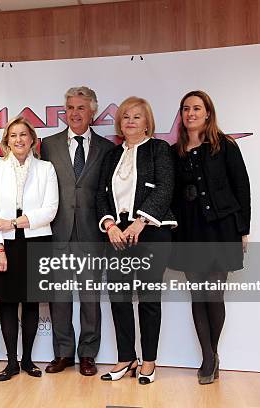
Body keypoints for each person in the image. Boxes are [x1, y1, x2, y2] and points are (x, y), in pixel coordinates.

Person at [170, 90, 250, 385]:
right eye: (185, 109)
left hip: (221, 229)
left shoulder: (225, 146)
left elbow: (242, 187)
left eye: (196, 108)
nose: (190, 113)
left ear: (207, 113)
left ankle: (210, 356)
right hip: (189, 230)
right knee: (197, 295)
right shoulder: (174, 151)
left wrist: (244, 229)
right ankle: (208, 357)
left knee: (213, 294)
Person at [96, 96, 176, 385]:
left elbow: (166, 188)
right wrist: (109, 225)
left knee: (148, 298)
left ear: (147, 122)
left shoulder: (159, 149)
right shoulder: (111, 155)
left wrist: (140, 221)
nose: (130, 120)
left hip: (151, 232)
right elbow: (100, 195)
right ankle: (126, 357)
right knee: (119, 297)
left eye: (137, 116)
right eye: (126, 116)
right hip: (117, 235)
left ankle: (149, 362)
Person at [40, 86, 113, 376]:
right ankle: (64, 354)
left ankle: (88, 354)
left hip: (92, 234)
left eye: (81, 108)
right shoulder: (48, 144)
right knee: (58, 297)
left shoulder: (107, 148)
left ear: (92, 111)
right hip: (57, 232)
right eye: (70, 107)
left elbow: (106, 193)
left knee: (90, 298)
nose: (74, 113)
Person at [0, 116, 59, 381]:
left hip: (36, 241)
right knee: (7, 303)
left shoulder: (46, 168)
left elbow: (50, 210)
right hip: (5, 243)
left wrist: (14, 222)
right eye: (13, 135)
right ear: (6, 141)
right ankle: (12, 362)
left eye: (23, 135)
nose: (18, 140)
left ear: (32, 140)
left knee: (30, 304)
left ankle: (27, 360)